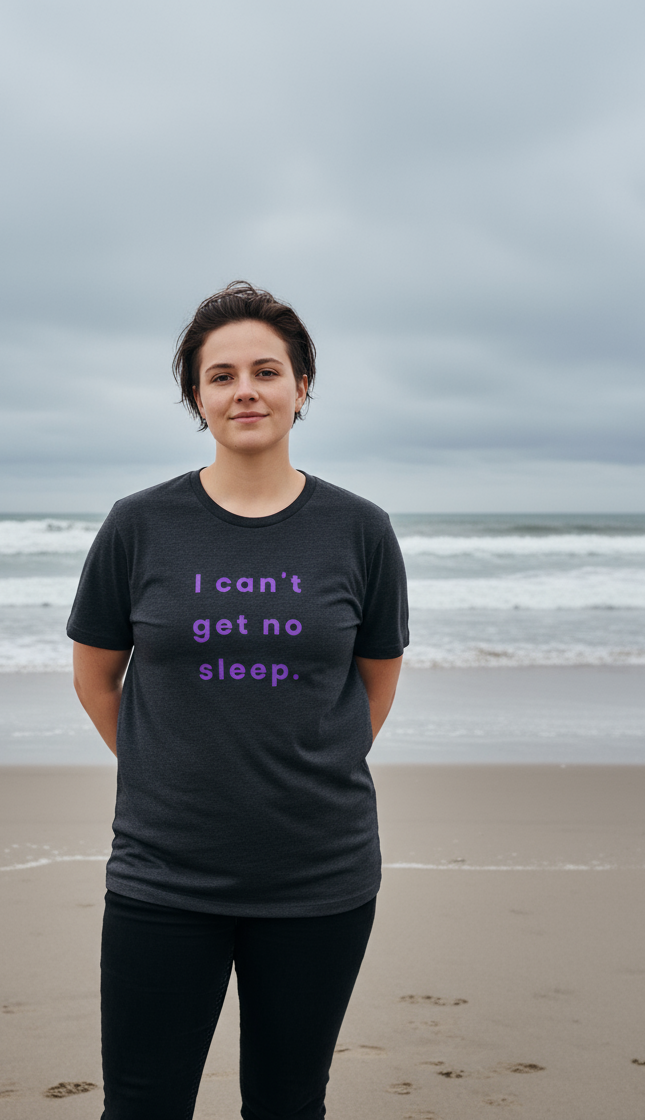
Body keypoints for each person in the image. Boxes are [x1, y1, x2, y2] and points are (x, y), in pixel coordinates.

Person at [67, 281, 408, 1120]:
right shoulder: (139, 525)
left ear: (302, 387)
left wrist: (296, 767)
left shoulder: (360, 530)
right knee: (143, 1107)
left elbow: (374, 682)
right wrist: (174, 765)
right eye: (221, 376)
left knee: (289, 1106)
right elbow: (95, 675)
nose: (245, 390)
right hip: (164, 875)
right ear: (197, 396)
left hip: (319, 876)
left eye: (266, 370)